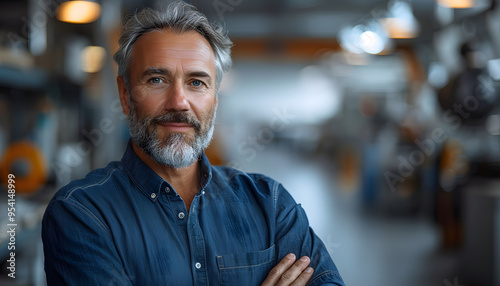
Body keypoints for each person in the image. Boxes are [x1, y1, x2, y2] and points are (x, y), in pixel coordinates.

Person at [41, 2, 345, 285]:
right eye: (157, 80)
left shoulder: (272, 206)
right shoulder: (81, 214)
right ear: (124, 94)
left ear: (214, 98)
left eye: (196, 82)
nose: (179, 102)